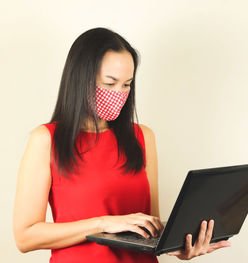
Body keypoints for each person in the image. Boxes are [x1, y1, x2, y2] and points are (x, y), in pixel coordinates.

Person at [13, 27, 231, 263]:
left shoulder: (143, 137)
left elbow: (150, 228)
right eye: (109, 83)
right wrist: (103, 223)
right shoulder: (46, 139)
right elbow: (25, 236)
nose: (119, 93)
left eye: (127, 84)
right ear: (80, 80)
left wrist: (177, 246)